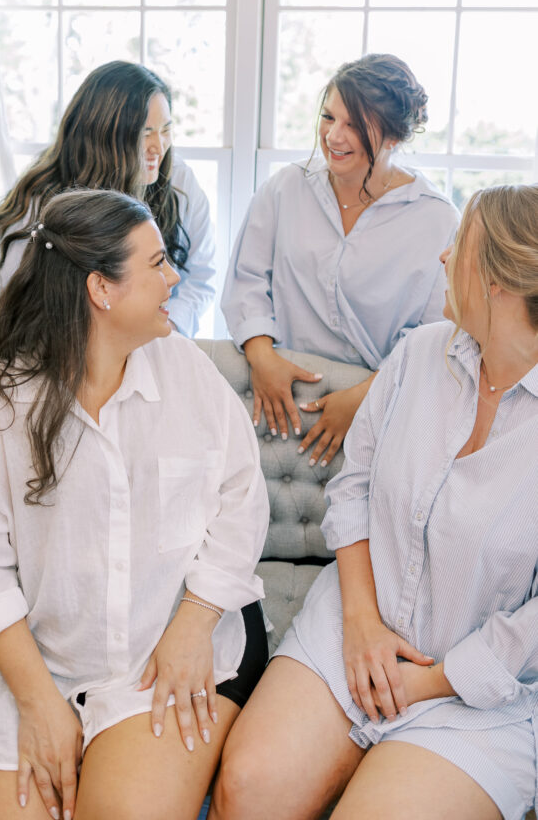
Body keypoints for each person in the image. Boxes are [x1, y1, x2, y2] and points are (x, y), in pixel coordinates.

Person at [0, 188, 269, 820]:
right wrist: (38, 705)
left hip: (158, 667)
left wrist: (194, 624)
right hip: (29, 675)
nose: (175, 278)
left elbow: (242, 499)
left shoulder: (187, 372)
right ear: (101, 289)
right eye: (156, 264)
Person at [210, 183, 538, 820]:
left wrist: (428, 682)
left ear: (496, 280)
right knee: (246, 788)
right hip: (350, 632)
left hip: (474, 694)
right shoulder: (418, 355)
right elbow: (353, 487)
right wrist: (361, 623)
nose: (443, 258)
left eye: (460, 246)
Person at [221, 53, 459, 467]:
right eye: (329, 117)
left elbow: (435, 336)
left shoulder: (437, 218)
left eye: (354, 124)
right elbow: (247, 279)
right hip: (282, 396)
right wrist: (261, 357)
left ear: (394, 138)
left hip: (383, 407)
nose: (333, 136)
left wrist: (364, 399)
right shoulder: (285, 188)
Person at [0, 60, 216, 338]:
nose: (159, 147)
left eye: (165, 130)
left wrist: (167, 329)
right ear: (102, 136)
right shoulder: (42, 198)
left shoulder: (179, 182)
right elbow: (1, 295)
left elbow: (201, 277)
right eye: (145, 133)